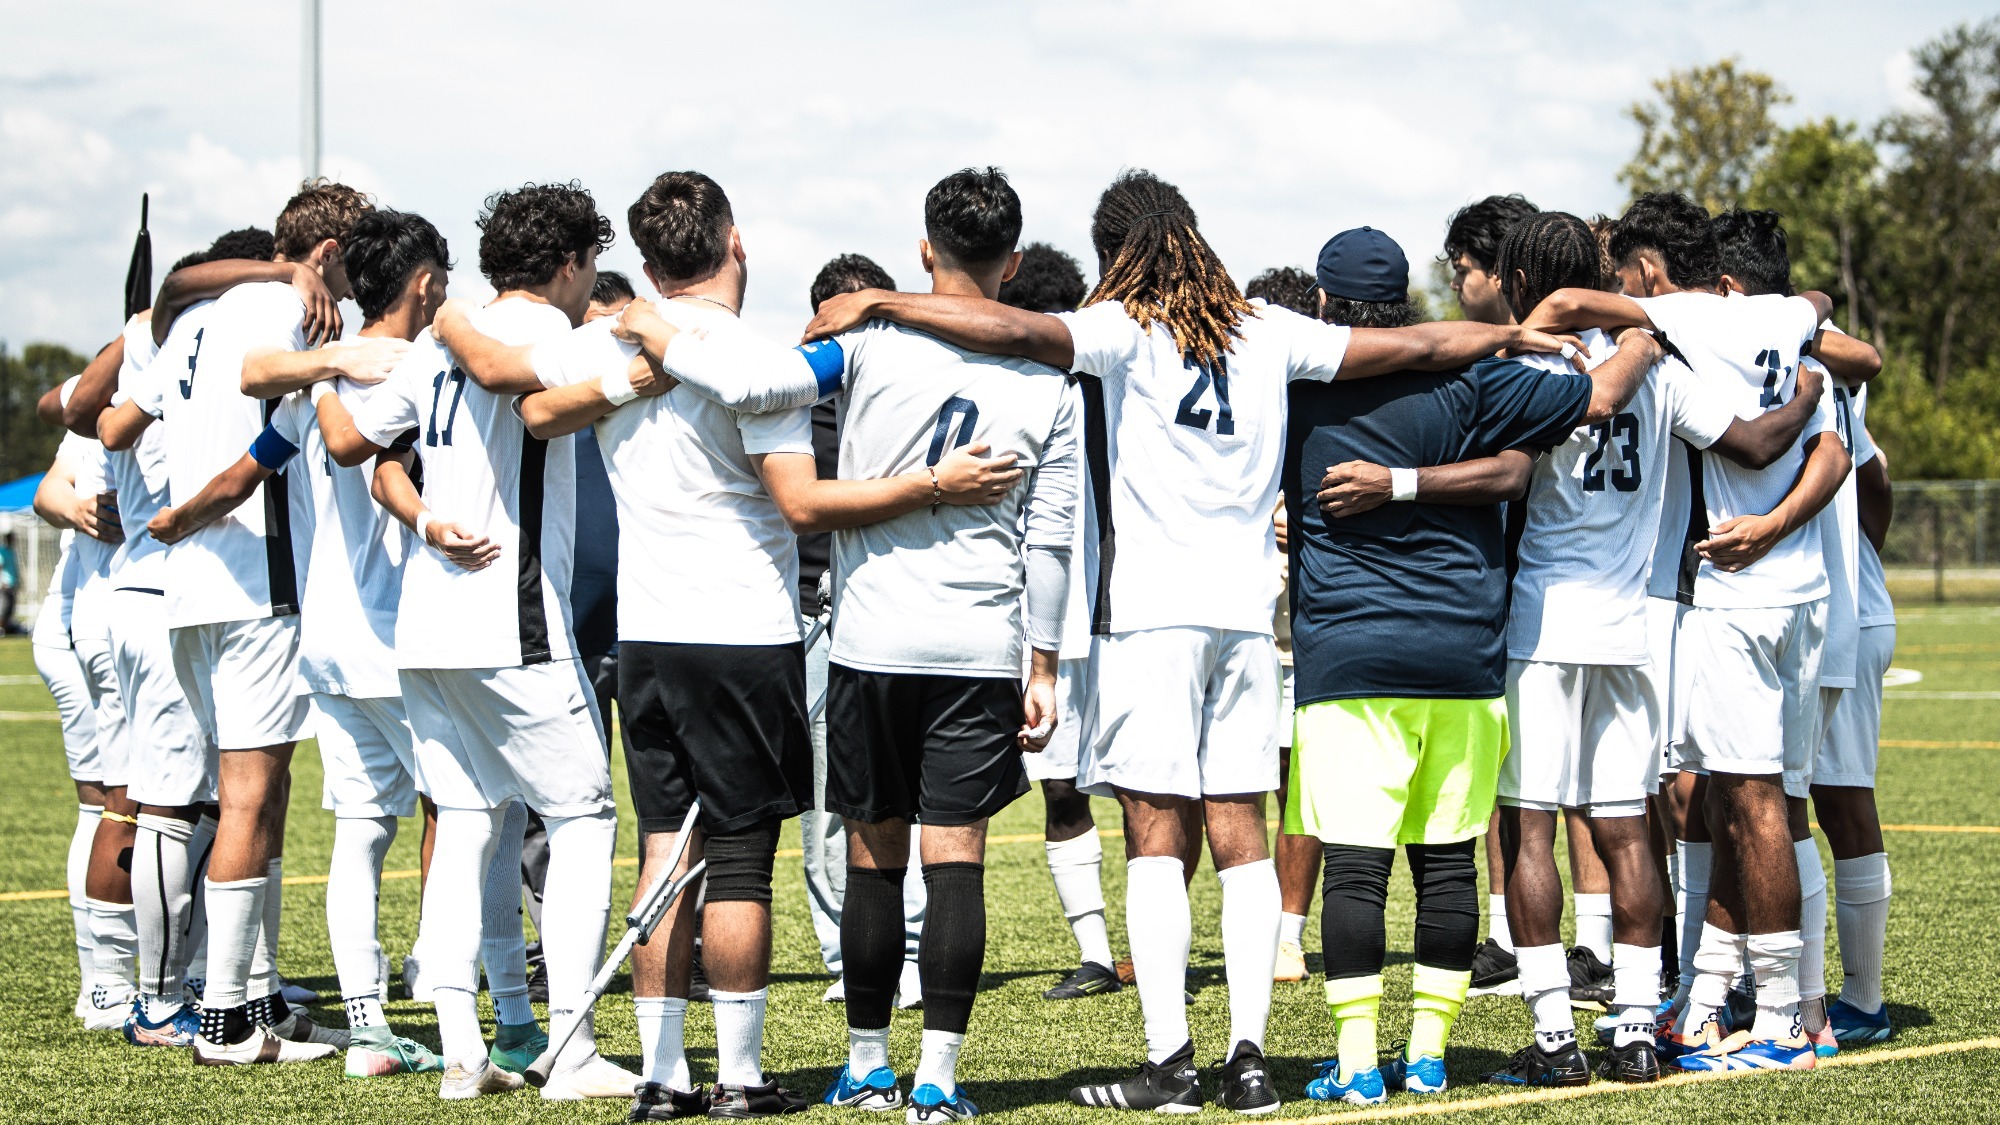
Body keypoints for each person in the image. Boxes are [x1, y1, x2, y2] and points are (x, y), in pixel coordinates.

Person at [799, 171, 1583, 1115]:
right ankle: (1248, 1060)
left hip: (1153, 616)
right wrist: (1508, 334)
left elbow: (1011, 329)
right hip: (1246, 616)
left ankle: (1171, 1061)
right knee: (1241, 836)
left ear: (1124, 256)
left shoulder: (1125, 327)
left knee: (1154, 837)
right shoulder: (1268, 329)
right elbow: (1417, 343)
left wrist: (884, 301)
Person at [1275, 226, 1640, 1106]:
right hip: (1462, 652)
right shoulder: (1475, 378)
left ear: (1323, 306)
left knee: (1356, 866)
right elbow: (1593, 401)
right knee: (1446, 863)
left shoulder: (1294, 389)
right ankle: (1430, 1056)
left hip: (1349, 656)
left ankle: (1359, 1064)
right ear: (1405, 303)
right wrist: (1644, 333)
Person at [312, 181, 635, 1100]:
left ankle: (463, 1052)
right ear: (570, 263)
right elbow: (514, 387)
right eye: (591, 266)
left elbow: (353, 447)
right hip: (513, 618)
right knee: (583, 818)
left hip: (425, 625)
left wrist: (421, 516)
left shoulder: (431, 346)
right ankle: (571, 1049)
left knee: (464, 821)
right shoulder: (558, 335)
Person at [1490, 212, 1829, 1088]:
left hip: (1543, 622)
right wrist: (1806, 395)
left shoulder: (1525, 365)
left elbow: (1506, 480)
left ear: (1522, 282)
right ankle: (1639, 1028)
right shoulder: (1661, 368)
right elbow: (1754, 441)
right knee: (1626, 827)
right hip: (1635, 626)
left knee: (1529, 826)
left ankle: (1555, 1039)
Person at [142, 210, 456, 1075]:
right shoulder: (405, 369)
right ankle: (459, 1016)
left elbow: (244, 468)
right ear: (423, 284)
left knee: (352, 829)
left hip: (322, 638)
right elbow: (356, 454)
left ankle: (350, 1024)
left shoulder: (308, 384)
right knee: (460, 816)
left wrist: (181, 520)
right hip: (399, 637)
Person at [1712, 207, 1883, 1057]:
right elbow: (1867, 449)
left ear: (1728, 286)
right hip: (1833, 605)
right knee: (1798, 802)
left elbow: (1852, 460)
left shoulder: (1770, 356)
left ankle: (1805, 1009)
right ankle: (1824, 999)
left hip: (1793, 601)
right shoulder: (1818, 352)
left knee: (1779, 808)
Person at [796, 254, 933, 1012]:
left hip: (898, 607)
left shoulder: (914, 389)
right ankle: (845, 954)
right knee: (827, 800)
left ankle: (906, 949)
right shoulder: (792, 393)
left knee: (899, 792)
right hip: (810, 614)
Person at [995, 241, 1122, 1002]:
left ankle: (1113, 951)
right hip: (1098, 610)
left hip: (1065, 616)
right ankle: (1112, 952)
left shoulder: (1053, 387)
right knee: (1103, 788)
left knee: (1077, 789)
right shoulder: (1104, 383)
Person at [29, 407, 122, 1027]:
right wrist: (81, 511)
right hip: (78, 629)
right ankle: (101, 985)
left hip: (101, 627)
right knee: (105, 803)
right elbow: (48, 491)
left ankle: (228, 975)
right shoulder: (109, 395)